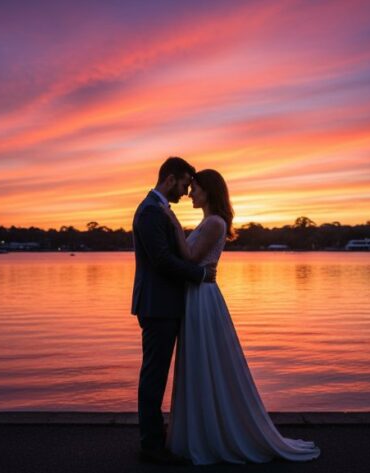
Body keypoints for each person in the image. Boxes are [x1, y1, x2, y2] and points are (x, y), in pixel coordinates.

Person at [161, 169, 321, 465]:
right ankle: (202, 430)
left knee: (206, 360)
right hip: (198, 294)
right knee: (200, 361)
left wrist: (172, 225)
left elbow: (192, 258)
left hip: (203, 298)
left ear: (208, 191)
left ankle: (213, 434)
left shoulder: (213, 223)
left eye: (195, 188)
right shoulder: (209, 222)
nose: (190, 193)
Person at [131, 157, 217, 465]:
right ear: (169, 180)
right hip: (158, 306)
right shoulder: (150, 213)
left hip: (164, 304)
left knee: (157, 374)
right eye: (183, 185)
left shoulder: (157, 211)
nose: (184, 192)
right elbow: (162, 261)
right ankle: (151, 447)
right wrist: (200, 275)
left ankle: (156, 436)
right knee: (154, 375)